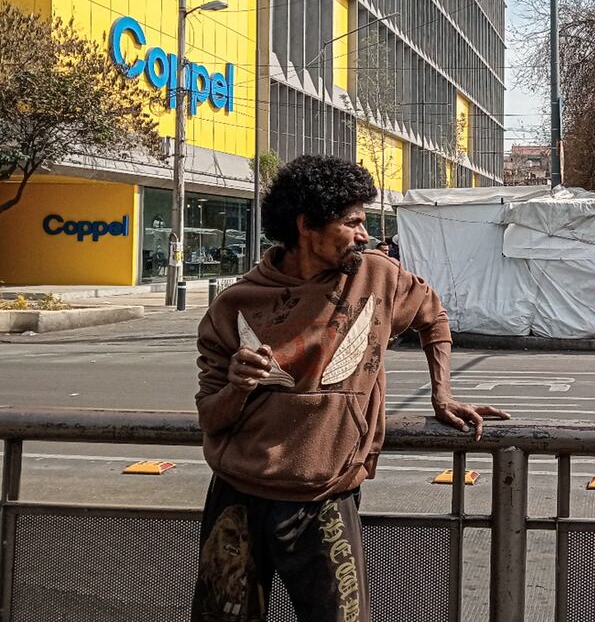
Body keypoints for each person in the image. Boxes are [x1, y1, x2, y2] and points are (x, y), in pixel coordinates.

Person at [191, 155, 511, 620]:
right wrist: (237, 388)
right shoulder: (234, 307)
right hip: (238, 499)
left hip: (325, 498)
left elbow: (434, 318)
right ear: (306, 226)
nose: (364, 233)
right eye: (352, 222)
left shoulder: (377, 276)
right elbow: (210, 417)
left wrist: (441, 394)